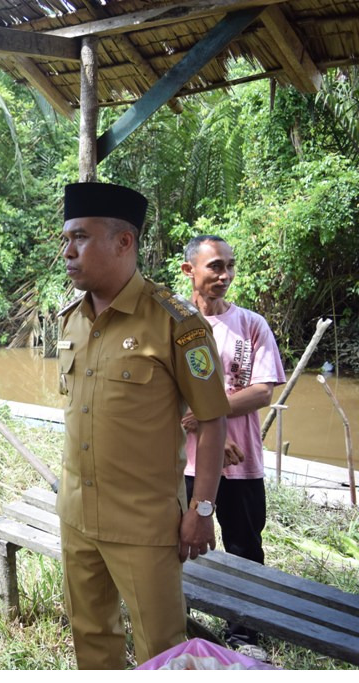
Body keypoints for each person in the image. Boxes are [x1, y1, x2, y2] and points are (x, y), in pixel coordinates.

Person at [56, 182, 230, 669]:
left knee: (163, 649)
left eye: (81, 238)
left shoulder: (176, 323)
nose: (68, 252)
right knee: (91, 638)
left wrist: (203, 507)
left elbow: (213, 421)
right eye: (66, 239)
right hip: (76, 517)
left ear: (123, 242)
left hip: (144, 525)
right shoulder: (71, 321)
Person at [180, 234, 285, 652]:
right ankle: (175, 620)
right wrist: (206, 430)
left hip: (242, 463)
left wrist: (211, 419)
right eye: (215, 267)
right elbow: (157, 392)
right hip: (183, 462)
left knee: (244, 547)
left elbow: (261, 392)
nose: (225, 275)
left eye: (229, 266)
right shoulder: (174, 322)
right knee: (179, 541)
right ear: (190, 270)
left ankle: (243, 634)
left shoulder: (251, 325)